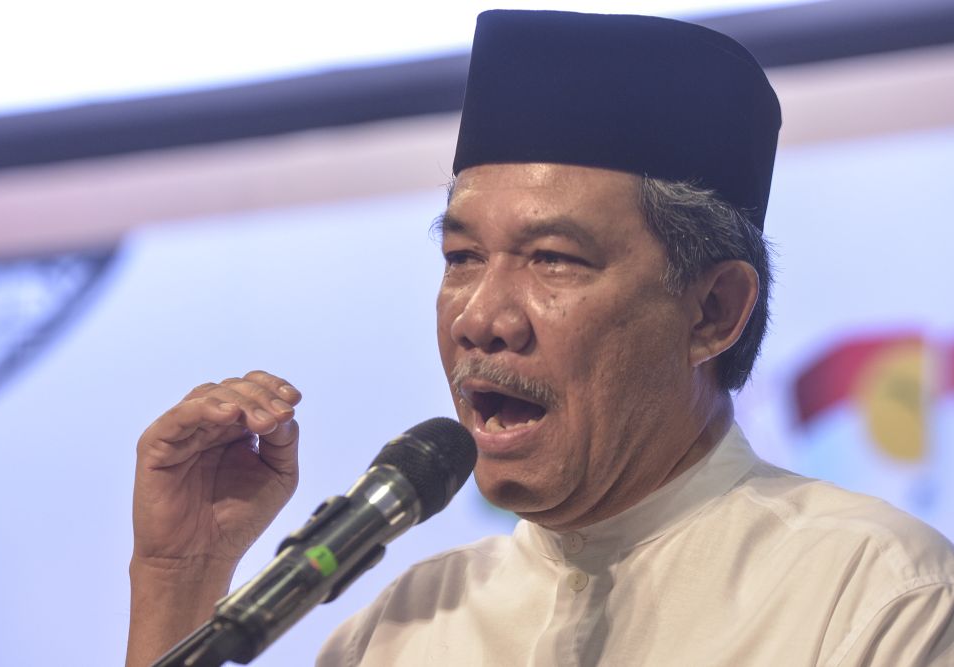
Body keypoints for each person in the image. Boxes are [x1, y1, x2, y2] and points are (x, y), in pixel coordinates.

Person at [126, 10, 954, 666]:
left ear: (713, 311)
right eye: (461, 258)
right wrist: (180, 577)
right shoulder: (405, 630)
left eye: (553, 259)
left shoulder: (875, 595)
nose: (480, 318)